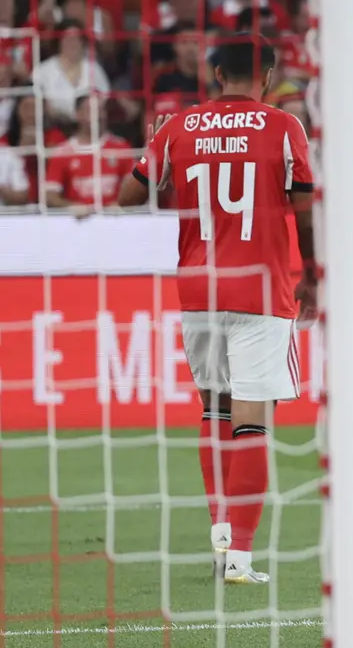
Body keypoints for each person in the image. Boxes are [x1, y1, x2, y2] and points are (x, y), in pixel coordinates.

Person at [118, 33, 316, 586]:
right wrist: (316, 273)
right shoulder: (283, 126)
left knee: (214, 411)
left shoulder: (179, 127)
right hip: (260, 289)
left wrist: (150, 147)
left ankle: (220, 536)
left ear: (215, 76)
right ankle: (242, 559)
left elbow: (129, 198)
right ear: (270, 78)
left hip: (198, 291)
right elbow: (305, 205)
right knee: (253, 421)